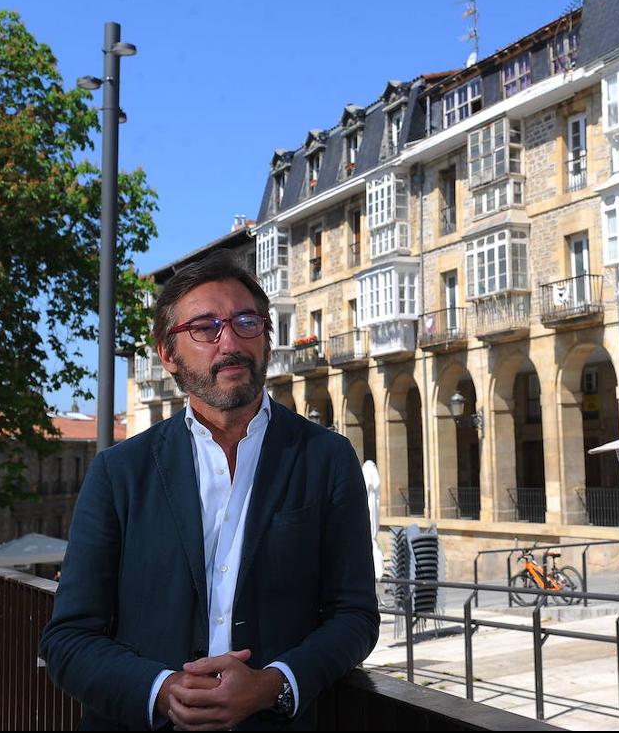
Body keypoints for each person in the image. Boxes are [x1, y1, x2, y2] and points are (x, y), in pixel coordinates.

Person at [40, 250, 379, 730]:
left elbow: (355, 616)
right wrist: (160, 691)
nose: (230, 342)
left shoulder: (325, 458)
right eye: (204, 327)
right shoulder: (119, 473)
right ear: (167, 354)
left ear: (266, 337)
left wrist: (276, 684)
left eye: (246, 321)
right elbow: (68, 639)